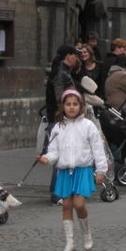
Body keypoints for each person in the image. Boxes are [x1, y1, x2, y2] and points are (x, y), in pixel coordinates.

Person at [37, 89, 107, 251]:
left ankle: (86, 232)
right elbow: (54, 150)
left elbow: (98, 149)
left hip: (82, 169)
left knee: (79, 204)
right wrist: (47, 158)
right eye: (68, 104)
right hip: (64, 170)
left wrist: (101, 170)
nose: (72, 107)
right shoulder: (58, 128)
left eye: (75, 104)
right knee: (67, 205)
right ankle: (69, 243)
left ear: (81, 106)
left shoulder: (88, 126)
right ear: (63, 106)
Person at [45, 44, 79, 205]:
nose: (77, 58)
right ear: (68, 56)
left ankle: (61, 191)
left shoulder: (65, 71)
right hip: (58, 120)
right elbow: (62, 98)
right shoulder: (60, 73)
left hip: (61, 118)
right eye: (74, 55)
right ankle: (57, 193)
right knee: (59, 155)